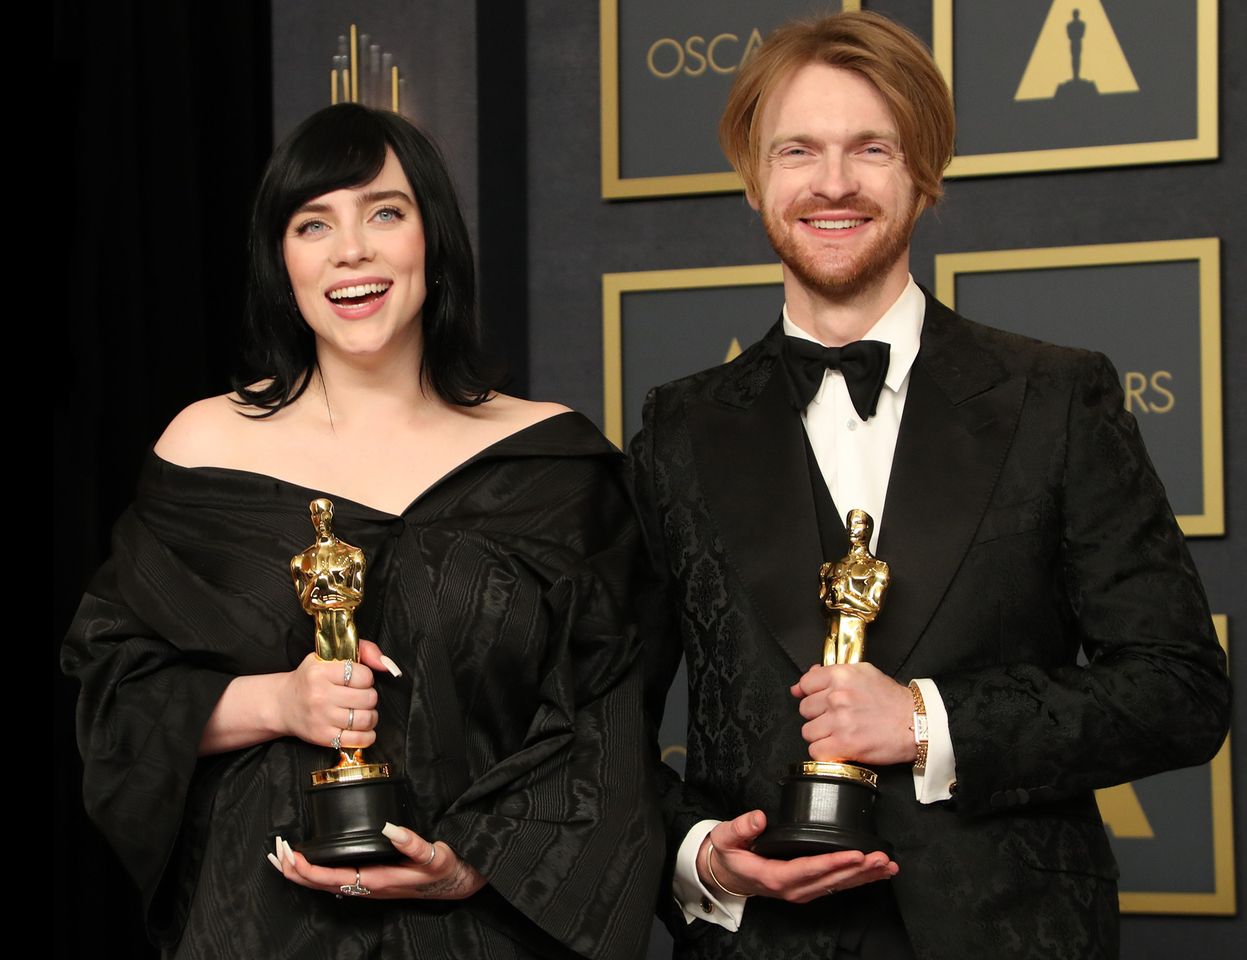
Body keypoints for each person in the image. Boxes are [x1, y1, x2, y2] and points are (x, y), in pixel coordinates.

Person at [631, 11, 1229, 959]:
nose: (833, 183)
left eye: (871, 147)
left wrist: (924, 722)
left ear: (924, 173)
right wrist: (702, 859)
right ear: (755, 179)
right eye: (798, 150)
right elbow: (602, 721)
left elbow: (1179, 689)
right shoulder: (676, 428)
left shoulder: (1056, 396)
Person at [63, 103, 661, 960]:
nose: (352, 249)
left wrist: (478, 865)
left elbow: (610, 723)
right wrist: (279, 700)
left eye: (384, 211)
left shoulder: (551, 465)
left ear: (433, 240)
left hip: (489, 935)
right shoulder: (205, 450)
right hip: (258, 930)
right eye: (314, 223)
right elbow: (115, 694)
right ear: (283, 261)